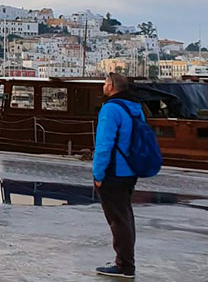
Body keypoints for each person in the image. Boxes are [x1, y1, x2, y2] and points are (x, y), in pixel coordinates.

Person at [92, 72, 144, 279]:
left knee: (117, 219)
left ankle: (124, 265)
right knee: (125, 217)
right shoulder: (135, 108)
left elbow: (104, 146)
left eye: (105, 82)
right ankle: (124, 261)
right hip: (130, 170)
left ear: (112, 86)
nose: (103, 86)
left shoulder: (111, 109)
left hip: (113, 172)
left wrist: (98, 173)